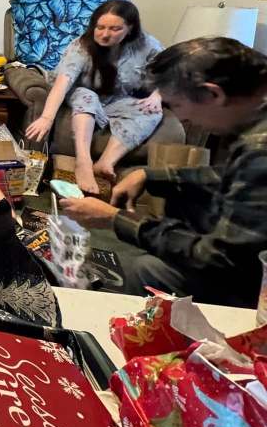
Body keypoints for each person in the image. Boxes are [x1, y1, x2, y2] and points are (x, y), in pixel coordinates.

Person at [58, 37, 267, 308]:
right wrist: (150, 175)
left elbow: (219, 257)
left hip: (250, 281)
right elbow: (232, 178)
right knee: (180, 207)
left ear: (213, 94)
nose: (182, 118)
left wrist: (116, 219)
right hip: (245, 253)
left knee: (145, 270)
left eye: (176, 105)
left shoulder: (259, 150)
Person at [25, 0, 163, 194]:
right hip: (79, 92)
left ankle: (106, 162)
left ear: (130, 28)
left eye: (115, 29)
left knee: (152, 111)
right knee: (87, 95)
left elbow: (169, 74)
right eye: (100, 27)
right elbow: (62, 84)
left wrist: (157, 95)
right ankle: (84, 162)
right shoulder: (81, 46)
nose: (105, 34)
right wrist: (46, 118)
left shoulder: (147, 44)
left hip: (117, 99)